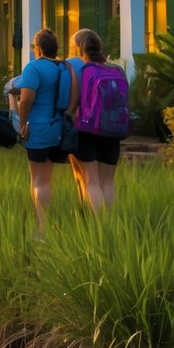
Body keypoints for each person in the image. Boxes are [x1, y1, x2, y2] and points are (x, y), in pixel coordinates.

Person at [17, 28, 77, 233]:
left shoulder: (33, 67)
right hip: (58, 126)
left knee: (37, 180)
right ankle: (43, 224)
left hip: (38, 128)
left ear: (39, 48)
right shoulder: (65, 67)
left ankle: (41, 228)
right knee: (46, 180)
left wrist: (22, 124)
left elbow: (26, 99)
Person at [67, 28, 124, 211]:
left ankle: (96, 224)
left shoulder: (79, 70)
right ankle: (110, 223)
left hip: (86, 129)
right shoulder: (117, 69)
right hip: (113, 129)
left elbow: (72, 103)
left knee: (91, 182)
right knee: (107, 183)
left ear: (78, 48)